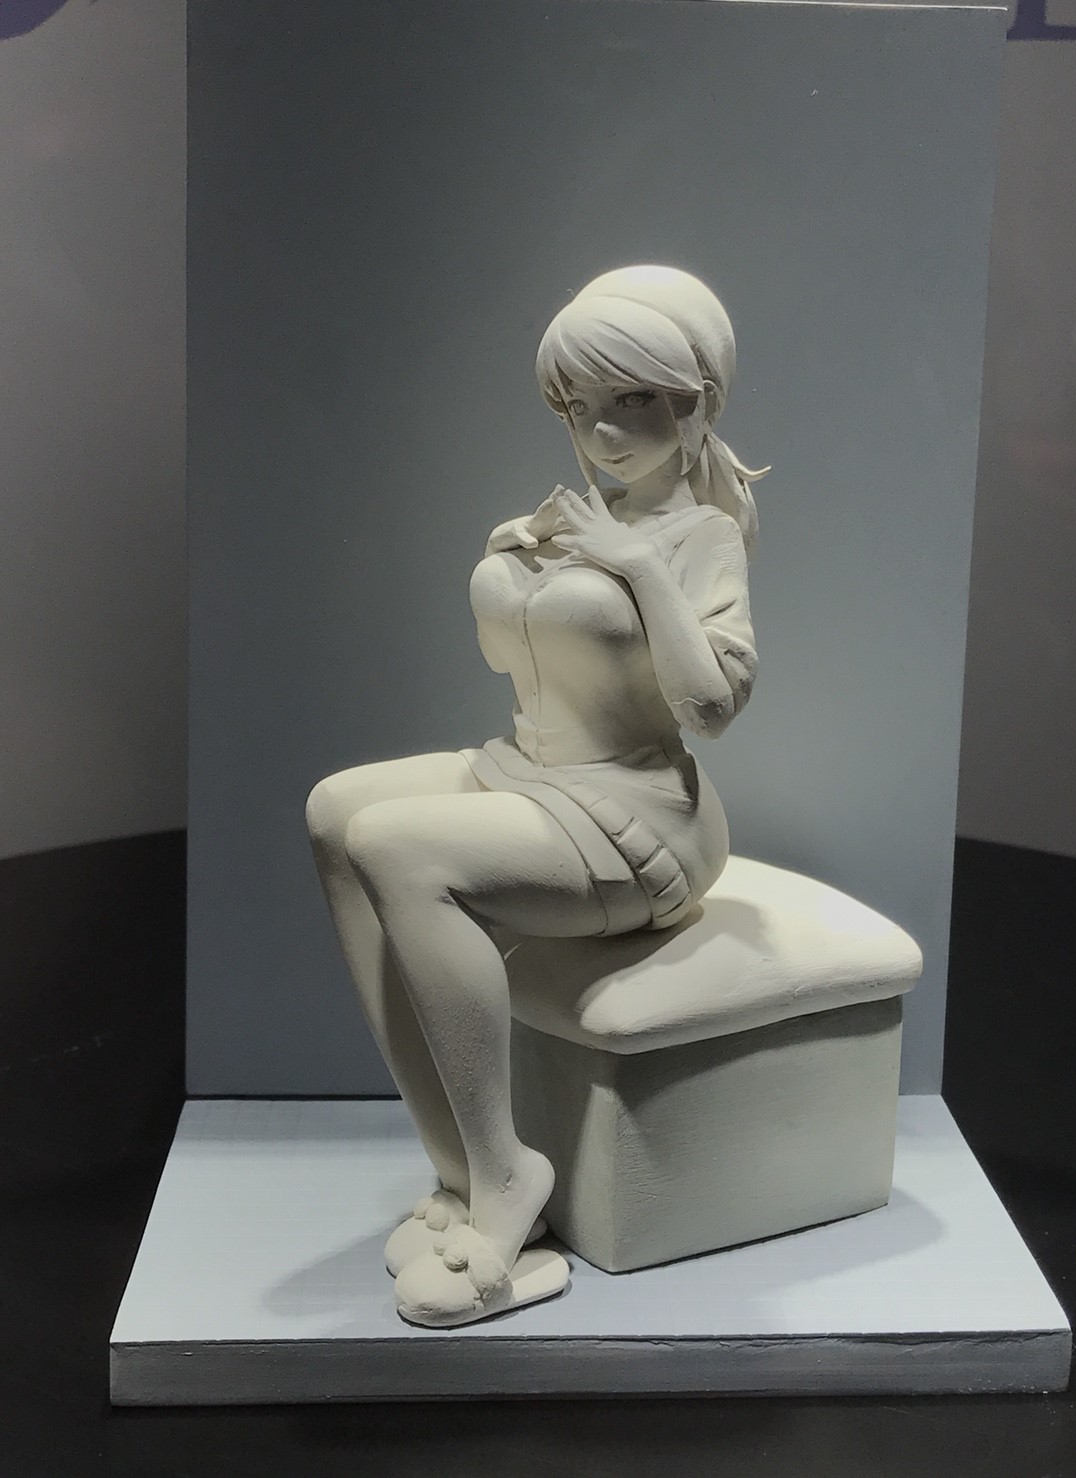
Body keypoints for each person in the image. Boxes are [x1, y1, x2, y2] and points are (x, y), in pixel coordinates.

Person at [306, 265, 767, 1327]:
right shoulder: (576, 518)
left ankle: (507, 1170)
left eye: (633, 400)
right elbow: (518, 666)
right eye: (581, 405)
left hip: (640, 812)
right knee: (338, 811)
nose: (603, 431)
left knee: (401, 848)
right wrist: (516, 565)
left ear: (694, 403)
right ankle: (457, 1164)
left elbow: (711, 706)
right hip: (533, 770)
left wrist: (635, 569)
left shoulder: (701, 538)